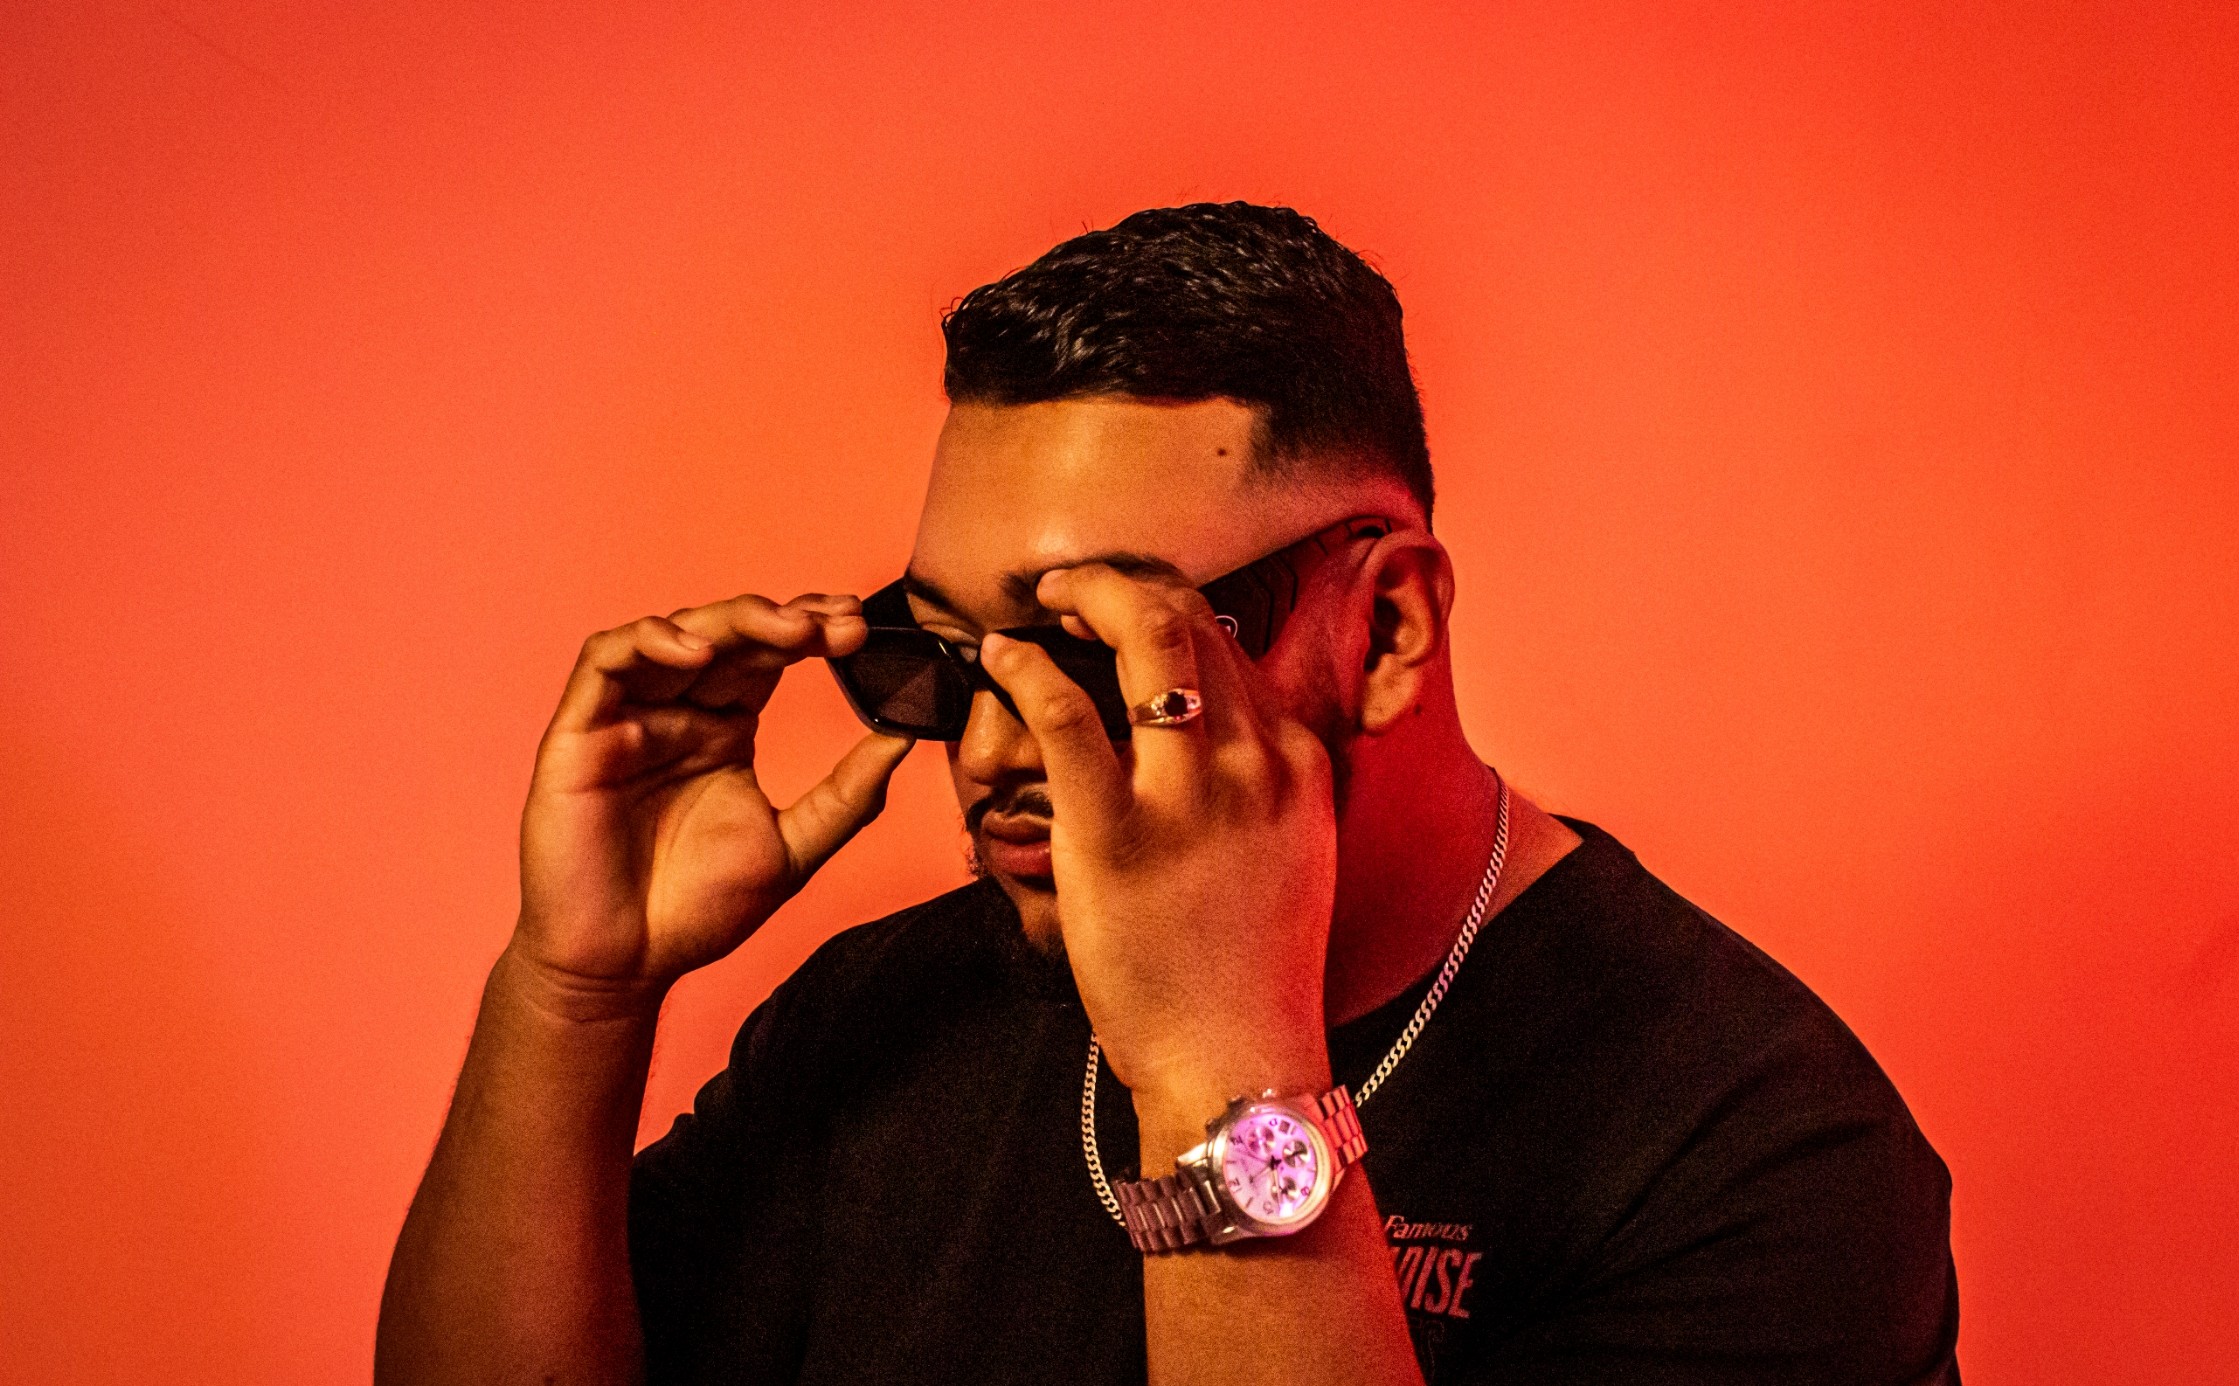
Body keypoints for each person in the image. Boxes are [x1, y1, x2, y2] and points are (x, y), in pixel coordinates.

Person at [376, 203, 1959, 1385]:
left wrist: (1218, 1063)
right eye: (940, 652)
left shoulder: (1757, 1150)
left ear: (1386, 628)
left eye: (1082, 648)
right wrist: (571, 995)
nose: (994, 746)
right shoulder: (889, 1011)